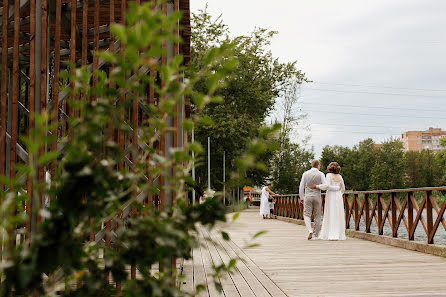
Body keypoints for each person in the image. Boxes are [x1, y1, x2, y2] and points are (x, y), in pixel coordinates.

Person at [299, 160, 340, 240]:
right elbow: (326, 186)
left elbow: (301, 187)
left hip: (308, 196)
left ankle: (309, 230)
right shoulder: (320, 174)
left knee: (306, 214)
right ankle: (316, 235)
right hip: (317, 196)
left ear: (312, 165)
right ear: (318, 165)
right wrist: (337, 188)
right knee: (317, 216)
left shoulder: (305, 174)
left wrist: (301, 197)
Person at [310, 162, 346, 240]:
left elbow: (326, 186)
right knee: (338, 213)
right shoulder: (340, 176)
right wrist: (339, 194)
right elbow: (343, 188)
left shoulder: (329, 175)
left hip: (331, 196)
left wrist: (317, 186)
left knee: (330, 212)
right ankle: (339, 234)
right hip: (338, 196)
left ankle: (330, 233)